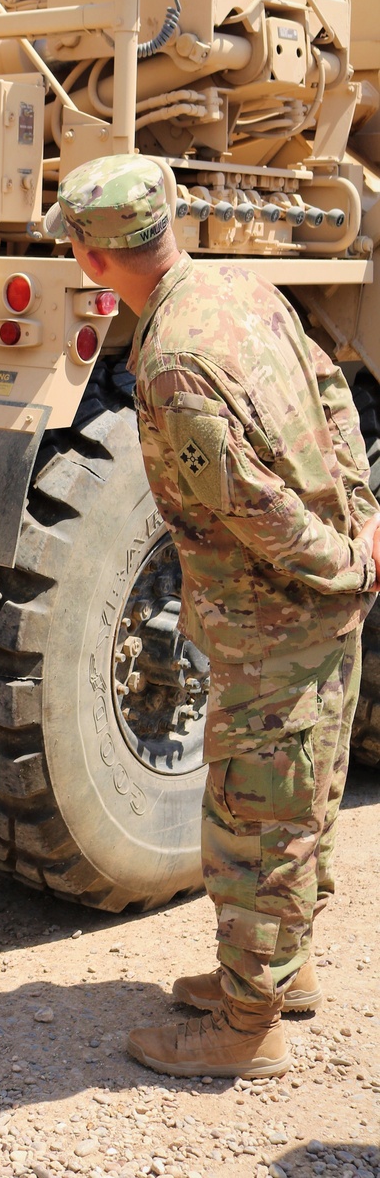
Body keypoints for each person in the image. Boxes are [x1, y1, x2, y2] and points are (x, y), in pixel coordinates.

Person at [44, 153, 380, 1079]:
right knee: (305, 797)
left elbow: (248, 505)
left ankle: (247, 1025)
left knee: (254, 816)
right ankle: (285, 969)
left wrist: (342, 560)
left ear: (89, 254)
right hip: (318, 607)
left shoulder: (172, 360)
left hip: (274, 617)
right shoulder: (244, 287)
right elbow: (333, 394)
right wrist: (364, 516)